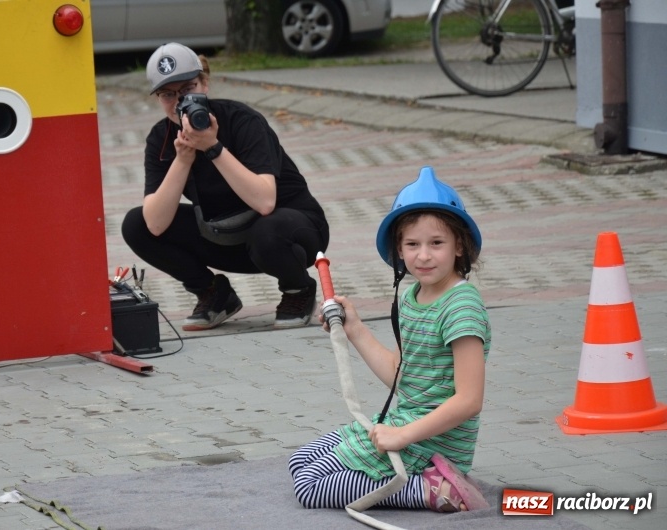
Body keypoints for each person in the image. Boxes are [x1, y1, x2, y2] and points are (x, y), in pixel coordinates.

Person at [288, 166, 491, 512]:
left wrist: (401, 436)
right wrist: (355, 328)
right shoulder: (412, 297)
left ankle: (434, 490)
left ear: (460, 246)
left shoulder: (462, 306)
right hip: (406, 425)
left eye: (436, 243)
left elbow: (469, 400)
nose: (423, 255)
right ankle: (423, 481)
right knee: (300, 461)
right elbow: (402, 373)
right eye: (412, 244)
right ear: (398, 249)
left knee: (309, 486)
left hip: (434, 443)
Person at [122, 43, 329, 331]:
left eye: (187, 89)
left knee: (267, 230)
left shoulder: (242, 121)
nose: (179, 101)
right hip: (228, 236)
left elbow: (265, 201)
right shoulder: (160, 139)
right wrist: (183, 159)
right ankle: (213, 294)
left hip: (292, 233)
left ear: (205, 83)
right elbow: (155, 225)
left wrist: (212, 147)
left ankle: (298, 290)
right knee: (136, 224)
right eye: (168, 94)